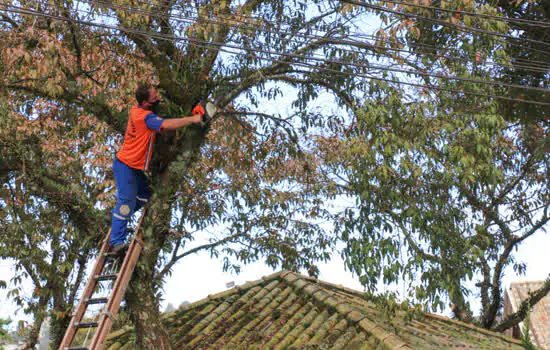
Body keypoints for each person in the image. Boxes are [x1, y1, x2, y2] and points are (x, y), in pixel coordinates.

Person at [110, 83, 204, 253]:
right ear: (146, 103)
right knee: (125, 203)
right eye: (154, 98)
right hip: (125, 166)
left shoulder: (138, 110)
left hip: (134, 167)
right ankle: (116, 242)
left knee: (145, 195)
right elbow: (167, 124)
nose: (158, 99)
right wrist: (192, 119)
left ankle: (118, 218)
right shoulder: (145, 118)